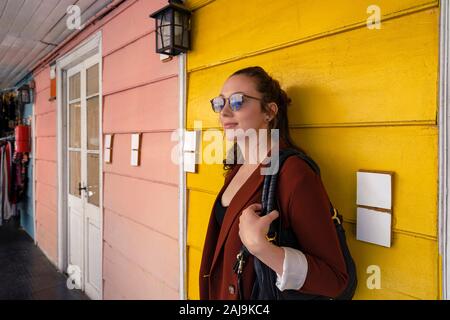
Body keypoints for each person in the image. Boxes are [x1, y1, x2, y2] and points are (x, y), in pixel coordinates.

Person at [199, 66, 349, 300]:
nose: (224, 113)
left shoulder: (293, 173)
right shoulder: (236, 169)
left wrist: (261, 247)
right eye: (220, 103)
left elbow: (334, 279)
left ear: (269, 111)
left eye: (237, 101)